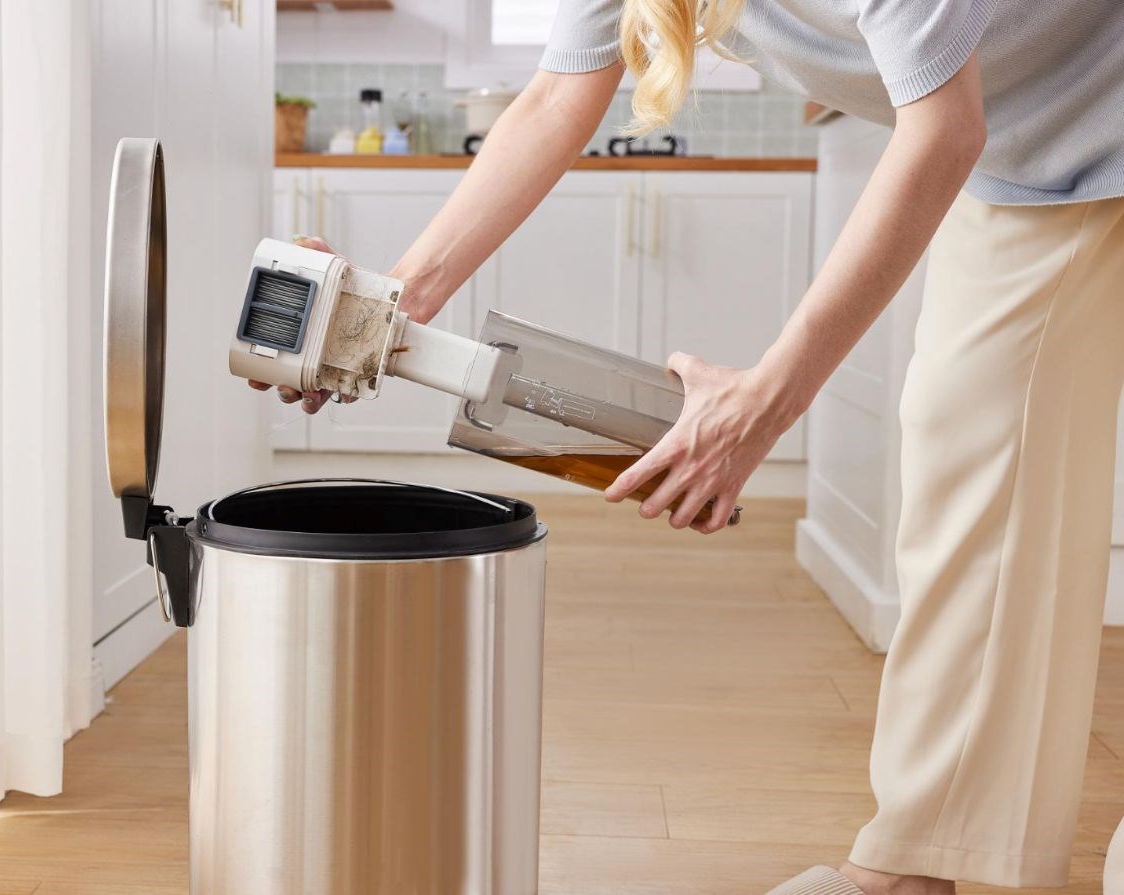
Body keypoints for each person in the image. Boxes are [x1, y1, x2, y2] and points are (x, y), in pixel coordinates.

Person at [255, 0, 1124, 891]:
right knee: (965, 465)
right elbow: (556, 97)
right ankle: (919, 866)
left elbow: (942, 130)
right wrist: (385, 311)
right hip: (1035, 155)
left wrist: (765, 402)